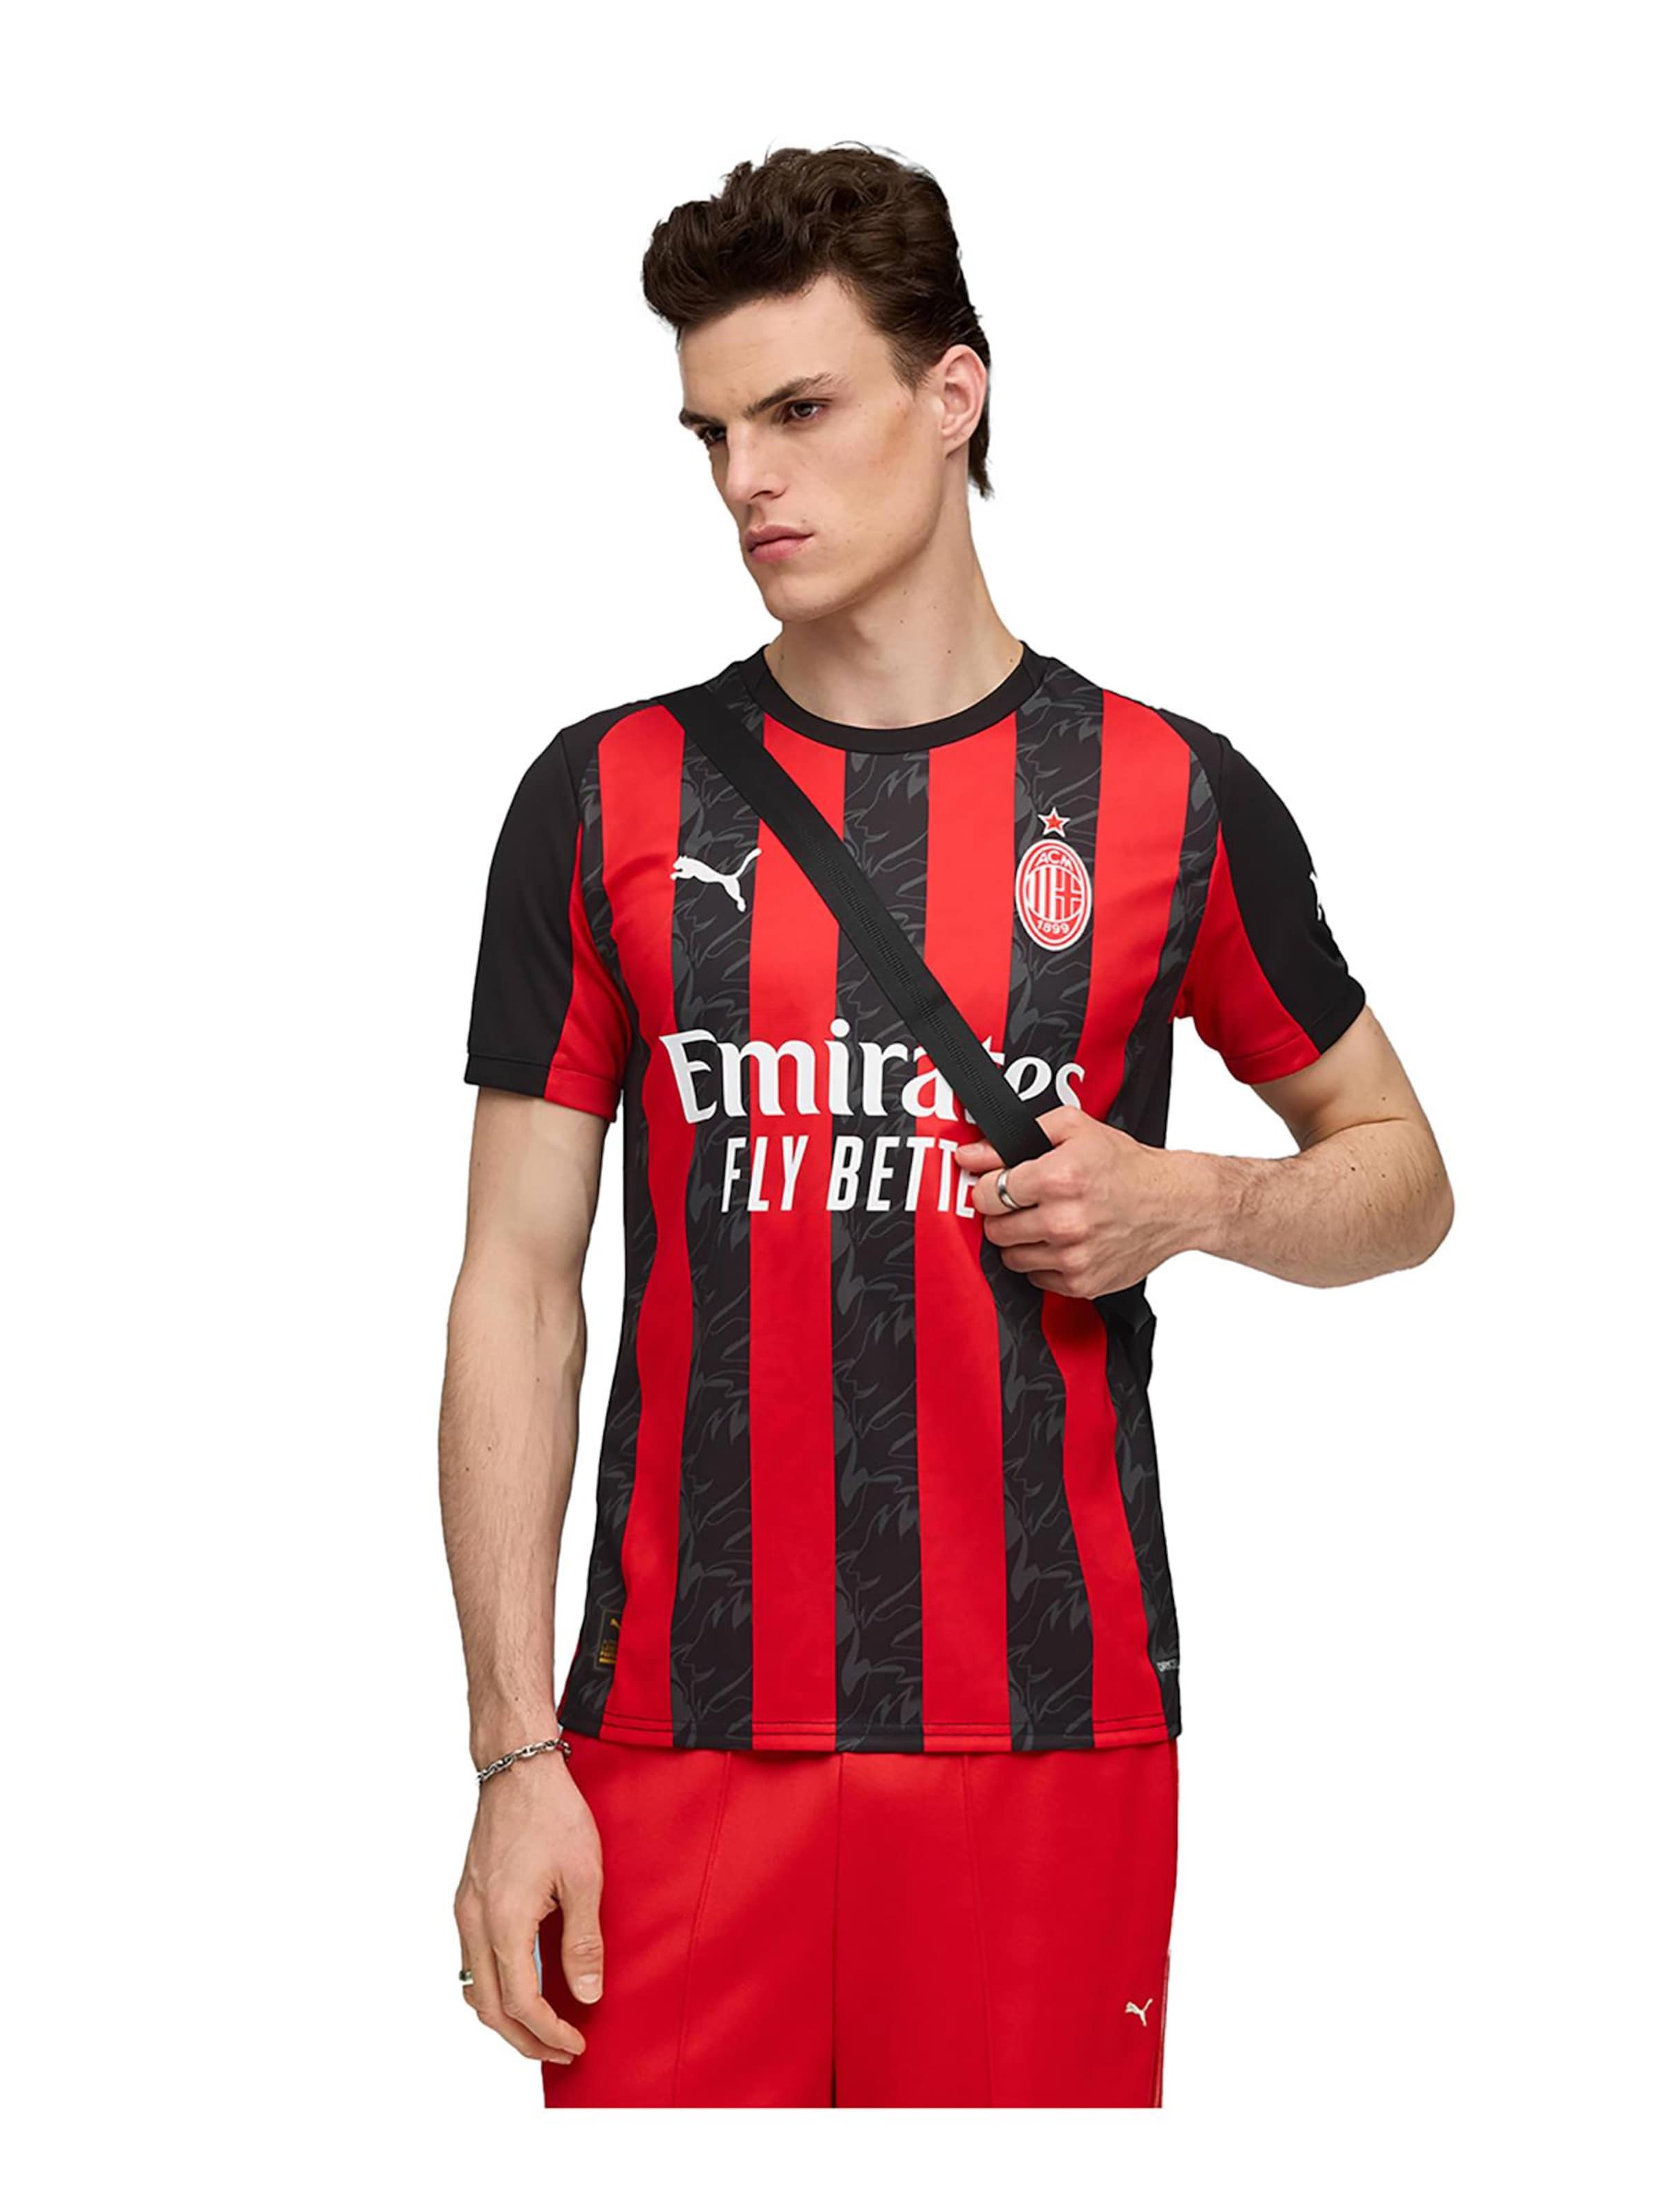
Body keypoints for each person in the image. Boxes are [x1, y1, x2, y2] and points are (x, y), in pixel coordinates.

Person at [439, 142, 1454, 2110]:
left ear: (954, 394)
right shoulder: (600, 795)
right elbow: (514, 1288)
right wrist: (510, 1753)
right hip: (663, 1739)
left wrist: (1197, 1199)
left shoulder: (1166, 793)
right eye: (714, 431)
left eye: (801, 410)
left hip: (1048, 1737)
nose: (747, 480)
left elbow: (1402, 1175)